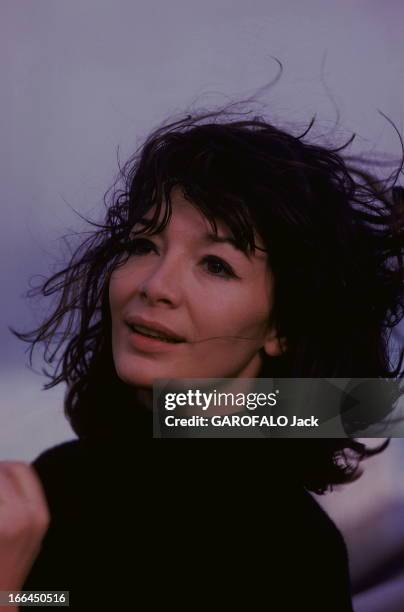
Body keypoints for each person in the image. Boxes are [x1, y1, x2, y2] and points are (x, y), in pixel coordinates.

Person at [1, 102, 404, 611]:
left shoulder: (284, 554)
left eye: (215, 264)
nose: (155, 285)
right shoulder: (65, 480)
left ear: (282, 327)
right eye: (143, 244)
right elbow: (57, 598)